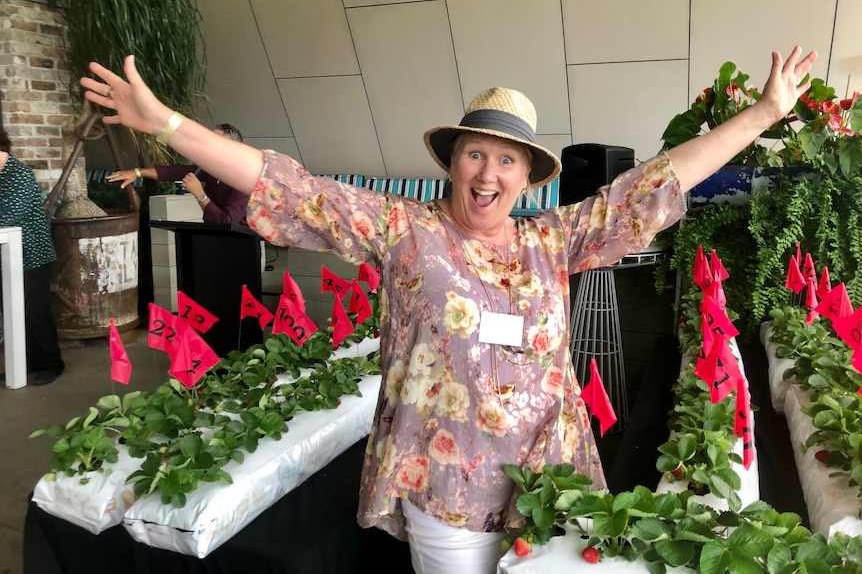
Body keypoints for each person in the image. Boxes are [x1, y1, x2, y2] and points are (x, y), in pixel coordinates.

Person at [82, 46, 816, 573]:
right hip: (447, 495)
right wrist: (169, 124)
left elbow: (656, 184)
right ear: (452, 161)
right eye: (475, 153)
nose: (488, 171)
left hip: (549, 486)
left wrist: (764, 111)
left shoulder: (552, 240)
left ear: (527, 178)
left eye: (506, 160)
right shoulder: (408, 232)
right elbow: (295, 190)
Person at [0, 129, 65, 386]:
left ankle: (51, 363)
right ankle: (24, 362)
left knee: (35, 310)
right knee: (12, 311)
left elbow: (9, 213)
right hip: (7, 256)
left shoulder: (18, 174)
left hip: (32, 255)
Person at [105, 123, 249, 225]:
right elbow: (175, 171)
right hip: (214, 239)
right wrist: (137, 172)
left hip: (240, 244)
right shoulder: (211, 169)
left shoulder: (244, 178)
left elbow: (226, 221)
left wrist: (200, 194)